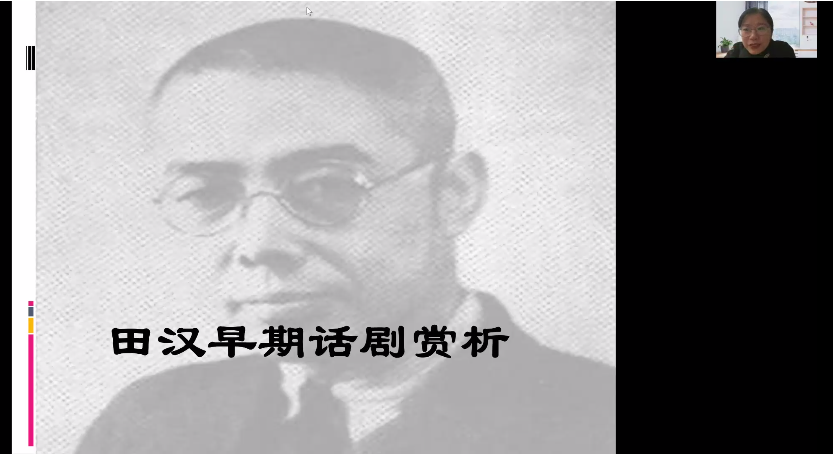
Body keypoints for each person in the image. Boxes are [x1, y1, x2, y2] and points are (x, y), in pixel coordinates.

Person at [75, 18, 615, 454]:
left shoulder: (597, 426)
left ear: (454, 194)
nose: (259, 244)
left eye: (327, 186)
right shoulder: (149, 426)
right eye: (207, 194)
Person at [724, 8, 795, 58]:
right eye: (746, 29)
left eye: (761, 28)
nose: (753, 36)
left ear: (771, 31)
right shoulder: (736, 51)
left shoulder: (783, 50)